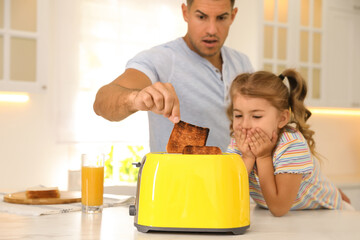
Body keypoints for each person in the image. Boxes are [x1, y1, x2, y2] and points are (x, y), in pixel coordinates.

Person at [93, 0, 253, 152]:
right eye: (201, 17)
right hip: (176, 179)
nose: (212, 29)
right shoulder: (160, 59)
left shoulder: (242, 62)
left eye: (221, 18)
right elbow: (102, 102)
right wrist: (135, 99)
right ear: (185, 13)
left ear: (232, 16)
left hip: (234, 178)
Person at [226, 69, 353, 217]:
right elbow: (227, 193)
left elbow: (279, 208)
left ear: (282, 118)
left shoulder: (291, 145)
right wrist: (247, 157)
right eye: (238, 115)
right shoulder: (239, 142)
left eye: (256, 116)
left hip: (332, 215)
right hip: (294, 219)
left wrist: (263, 157)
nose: (245, 124)